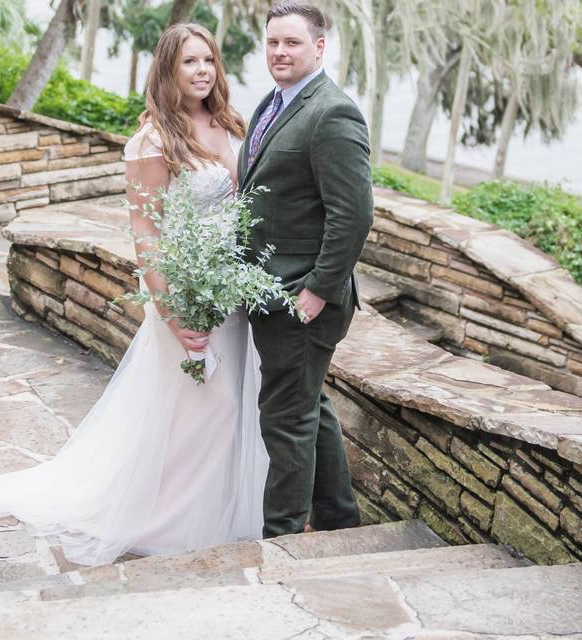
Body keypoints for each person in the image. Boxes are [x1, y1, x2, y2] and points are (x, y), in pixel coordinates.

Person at [0, 23, 269, 566]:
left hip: (230, 293)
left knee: (230, 406)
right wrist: (170, 311)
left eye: (208, 59)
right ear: (167, 69)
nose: (203, 70)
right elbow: (147, 230)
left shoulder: (232, 123)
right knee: (200, 409)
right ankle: (170, 520)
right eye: (189, 61)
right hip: (184, 295)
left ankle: (225, 512)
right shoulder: (153, 140)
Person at [239, 1, 375, 538]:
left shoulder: (331, 113)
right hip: (272, 293)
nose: (279, 52)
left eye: (291, 43)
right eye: (273, 42)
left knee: (285, 421)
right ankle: (341, 522)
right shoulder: (271, 105)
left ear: (319, 47)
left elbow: (354, 214)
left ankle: (283, 541)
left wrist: (317, 290)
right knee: (307, 408)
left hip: (302, 299)